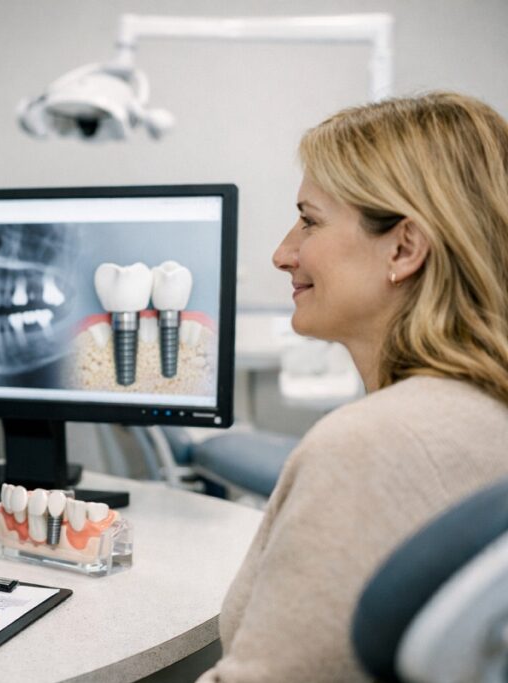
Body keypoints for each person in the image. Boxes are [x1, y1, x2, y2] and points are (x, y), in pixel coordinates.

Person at [196, 92, 508, 682]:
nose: (283, 253)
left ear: (404, 247)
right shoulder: (485, 406)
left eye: (309, 220)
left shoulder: (373, 446)